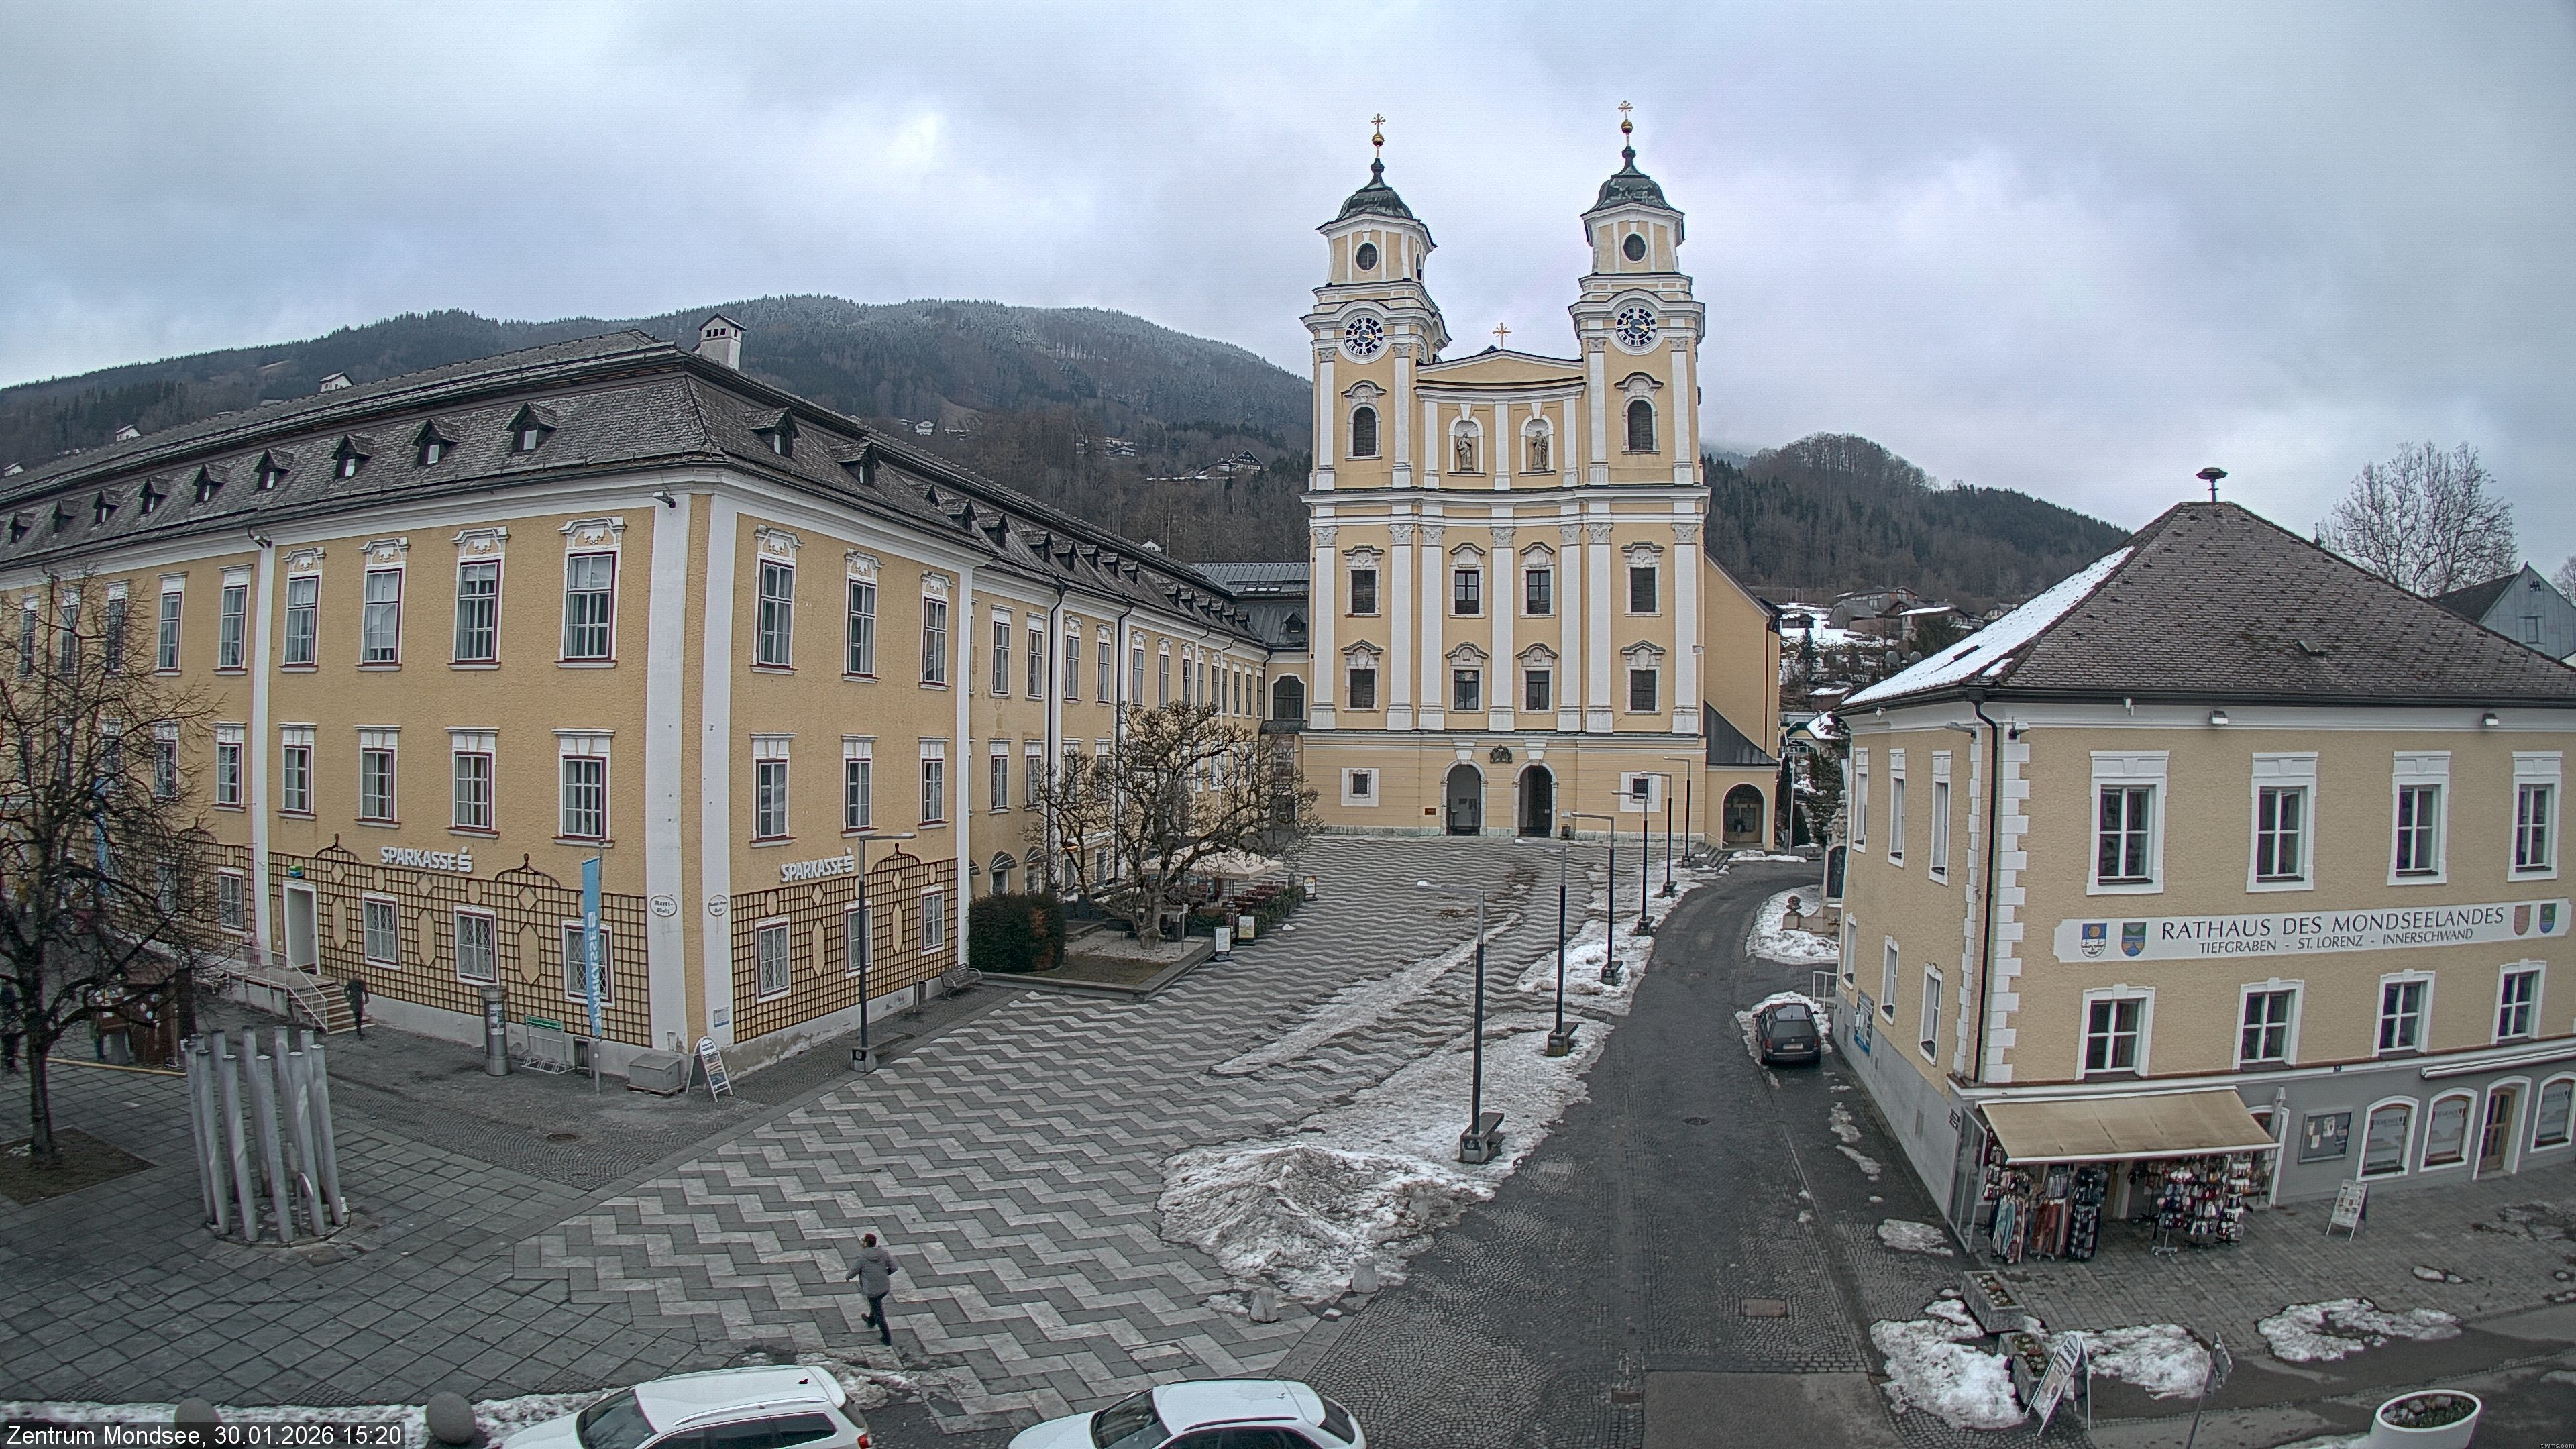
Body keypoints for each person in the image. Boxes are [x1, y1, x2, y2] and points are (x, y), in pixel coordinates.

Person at [843, 1232, 899, 1346]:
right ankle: (871, 1321)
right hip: (884, 1287)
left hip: (872, 1289)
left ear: (865, 1244)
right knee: (876, 1304)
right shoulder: (884, 1253)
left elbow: (853, 1271)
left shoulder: (862, 1258)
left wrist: (847, 1277)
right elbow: (894, 1267)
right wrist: (884, 1274)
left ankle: (886, 1337)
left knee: (879, 1313)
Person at [1, 979, 21, 1074]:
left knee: (9, 1048)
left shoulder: (9, 992)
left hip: (9, 1020)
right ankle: (9, 1064)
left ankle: (9, 1063)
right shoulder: (6, 993)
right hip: (8, 1020)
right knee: (9, 1048)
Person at [344, 976, 368, 1040]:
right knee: (357, 1016)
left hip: (360, 1002)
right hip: (354, 1002)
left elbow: (365, 991)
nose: (358, 978)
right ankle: (358, 1031)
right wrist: (349, 997)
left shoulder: (360, 984)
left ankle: (358, 1030)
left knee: (359, 1016)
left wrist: (367, 999)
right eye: (357, 976)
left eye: (359, 976)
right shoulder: (352, 984)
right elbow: (346, 990)